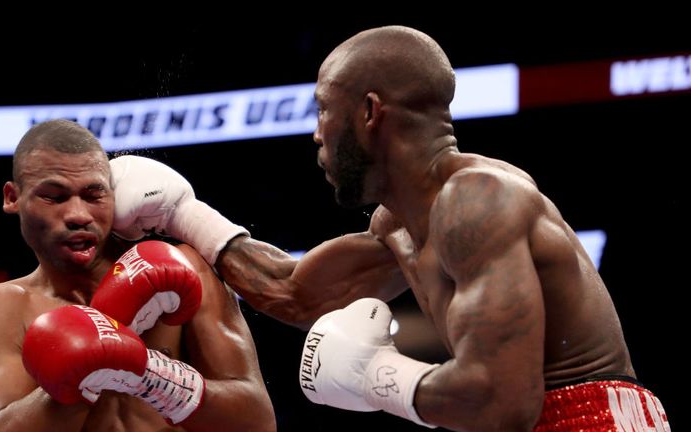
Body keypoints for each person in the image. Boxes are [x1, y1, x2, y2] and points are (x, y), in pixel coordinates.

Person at [108, 26, 672, 431]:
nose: (316, 135)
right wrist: (185, 213)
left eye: (323, 111)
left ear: (369, 112)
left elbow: (503, 403)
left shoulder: (479, 201)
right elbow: (294, 291)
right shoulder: (399, 225)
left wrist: (379, 375)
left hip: (592, 418)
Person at [0, 119, 276, 432]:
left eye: (93, 195)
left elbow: (257, 422)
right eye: (54, 197)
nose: (78, 215)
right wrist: (86, 363)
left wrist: (152, 374)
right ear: (13, 198)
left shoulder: (184, 269)